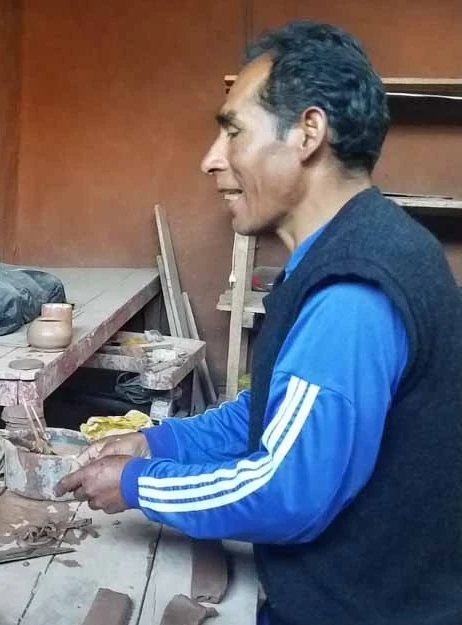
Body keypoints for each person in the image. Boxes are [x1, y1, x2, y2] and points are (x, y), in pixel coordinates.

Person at [57, 20, 462, 625]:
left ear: (308, 133)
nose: (210, 160)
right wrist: (159, 440)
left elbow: (286, 491)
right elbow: (271, 414)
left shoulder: (353, 291)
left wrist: (140, 484)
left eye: (233, 131)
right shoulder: (357, 248)